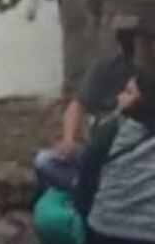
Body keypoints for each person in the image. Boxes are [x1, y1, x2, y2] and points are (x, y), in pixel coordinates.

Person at [33, 15, 155, 190]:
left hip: (139, 157)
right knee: (45, 161)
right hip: (101, 153)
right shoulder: (107, 67)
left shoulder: (149, 75)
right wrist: (68, 139)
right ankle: (89, 188)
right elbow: (77, 105)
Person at [70, 70, 155, 244]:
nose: (119, 96)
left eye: (127, 92)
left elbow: (86, 180)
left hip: (104, 237)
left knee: (53, 171)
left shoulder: (114, 129)